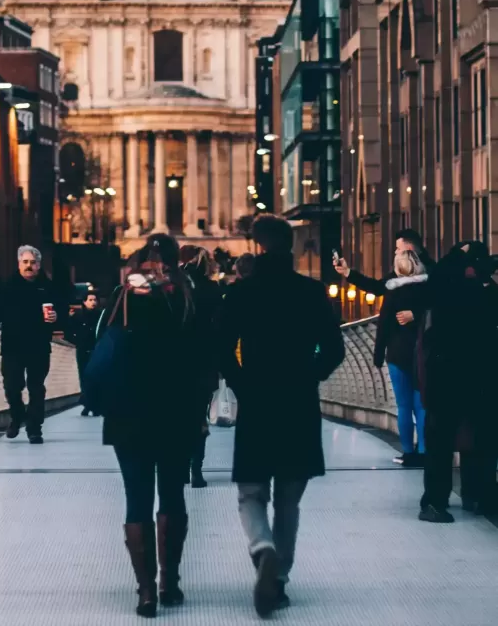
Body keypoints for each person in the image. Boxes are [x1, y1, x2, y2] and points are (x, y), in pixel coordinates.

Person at [218, 214, 344, 619]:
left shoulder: (241, 292)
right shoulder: (311, 292)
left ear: (257, 247)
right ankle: (281, 580)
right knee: (289, 498)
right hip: (298, 403)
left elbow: (220, 348)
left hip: (257, 403)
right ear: (289, 246)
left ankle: (262, 549)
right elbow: (335, 349)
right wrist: (310, 374)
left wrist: (241, 383)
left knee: (251, 492)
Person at [100, 233, 204, 618]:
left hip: (128, 412)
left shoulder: (123, 296)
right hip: (176, 412)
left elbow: (102, 345)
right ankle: (170, 582)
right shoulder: (186, 298)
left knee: (136, 497)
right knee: (173, 495)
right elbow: (204, 355)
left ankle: (145, 591)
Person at [418, 240, 498, 523]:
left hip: (448, 373)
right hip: (481, 374)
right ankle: (480, 496)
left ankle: (436, 502)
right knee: (483, 438)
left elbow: (436, 278)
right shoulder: (486, 294)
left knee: (441, 439)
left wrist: (456, 254)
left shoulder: (447, 291)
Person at [0, 245, 62, 444]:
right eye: (25, 262)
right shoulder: (7, 287)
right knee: (12, 386)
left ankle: (34, 428)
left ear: (39, 265)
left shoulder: (49, 287)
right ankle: (17, 416)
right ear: (19, 264)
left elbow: (62, 312)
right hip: (12, 346)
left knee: (36, 387)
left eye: (33, 263)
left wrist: (56, 318)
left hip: (39, 346)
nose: (29, 266)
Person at [373, 250, 429, 466]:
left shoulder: (393, 293)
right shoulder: (427, 291)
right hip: (422, 352)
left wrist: (378, 356)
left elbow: (384, 325)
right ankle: (423, 450)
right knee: (421, 404)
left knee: (403, 406)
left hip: (397, 353)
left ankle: (407, 452)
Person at [179, 244, 223, 488]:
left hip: (175, 365)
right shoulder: (213, 288)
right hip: (204, 364)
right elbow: (220, 327)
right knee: (199, 417)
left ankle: (181, 467)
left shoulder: (173, 288)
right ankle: (197, 469)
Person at [333, 228, 433, 296]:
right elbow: (378, 287)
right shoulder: (403, 270)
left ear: (409, 248)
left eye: (398, 248)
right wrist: (347, 272)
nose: (395, 252)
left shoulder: (429, 272)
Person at [67, 289, 102, 416]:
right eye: (90, 300)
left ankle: (93, 404)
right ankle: (88, 404)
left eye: (95, 300)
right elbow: (68, 332)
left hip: (96, 349)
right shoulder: (77, 316)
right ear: (84, 302)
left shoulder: (101, 316)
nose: (93, 302)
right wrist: (77, 341)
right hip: (82, 349)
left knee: (95, 377)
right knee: (83, 376)